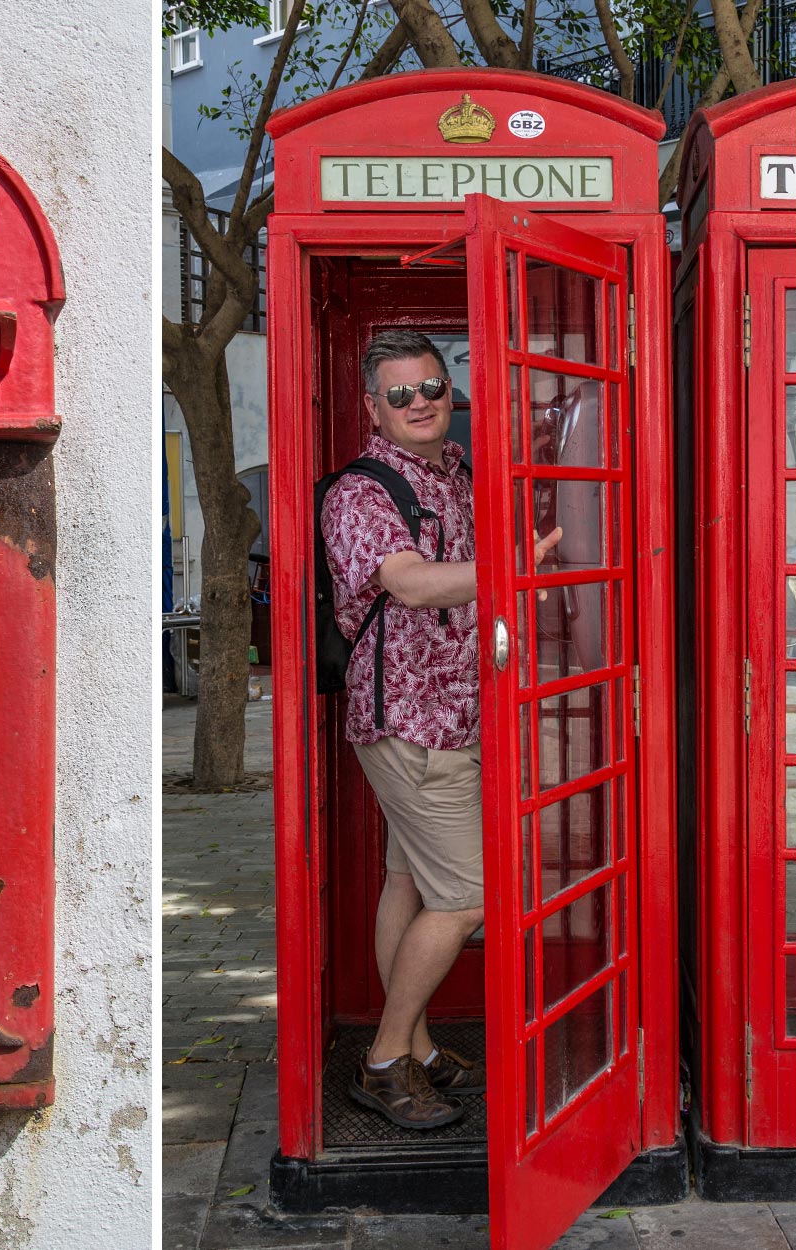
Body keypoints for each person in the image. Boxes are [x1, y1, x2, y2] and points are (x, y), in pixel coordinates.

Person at [320, 330, 561, 1129]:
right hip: (408, 720)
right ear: (370, 408)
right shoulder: (358, 493)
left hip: (463, 706)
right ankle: (385, 1061)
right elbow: (413, 584)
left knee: (409, 883)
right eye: (400, 395)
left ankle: (418, 1047)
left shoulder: (453, 468)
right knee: (470, 896)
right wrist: (516, 569)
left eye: (432, 389)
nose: (420, 404)